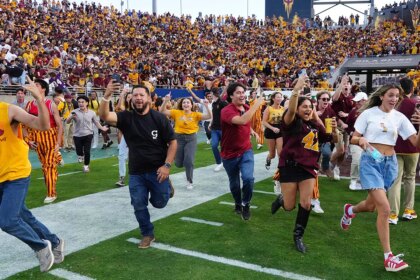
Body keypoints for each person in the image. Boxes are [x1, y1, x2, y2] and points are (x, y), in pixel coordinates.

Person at [341, 84, 420, 272]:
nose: (394, 99)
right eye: (391, 95)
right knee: (385, 208)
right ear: (382, 96)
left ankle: (350, 210)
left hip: (389, 164)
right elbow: (354, 137)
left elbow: (415, 142)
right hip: (370, 162)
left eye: (397, 96)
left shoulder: (399, 118)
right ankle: (388, 257)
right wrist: (360, 140)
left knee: (370, 206)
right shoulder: (368, 114)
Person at [99, 81, 177, 249]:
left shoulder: (159, 118)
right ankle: (147, 233)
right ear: (131, 98)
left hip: (159, 171)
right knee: (138, 203)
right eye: (135, 95)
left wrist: (167, 166)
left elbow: (173, 143)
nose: (139, 98)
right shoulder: (126, 117)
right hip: (136, 172)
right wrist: (106, 95)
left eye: (142, 95)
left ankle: (167, 186)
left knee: (159, 203)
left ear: (149, 98)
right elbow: (105, 116)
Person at [0, 76, 64, 272]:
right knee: (23, 215)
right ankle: (55, 241)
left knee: (8, 221)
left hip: (16, 173)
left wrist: (38, 98)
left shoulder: (9, 110)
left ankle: (40, 246)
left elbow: (43, 125)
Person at [271, 75, 336, 253]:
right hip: (290, 166)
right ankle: (282, 199)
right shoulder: (290, 121)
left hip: (308, 168)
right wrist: (296, 90)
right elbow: (290, 110)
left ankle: (298, 236)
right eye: (304, 106)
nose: (308, 109)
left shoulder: (316, 124)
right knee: (289, 207)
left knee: (306, 203)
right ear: (298, 109)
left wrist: (335, 129)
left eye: (310, 106)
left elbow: (329, 139)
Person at [221, 82, 265, 221]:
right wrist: (256, 104)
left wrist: (252, 131)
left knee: (248, 178)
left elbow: (245, 123)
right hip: (229, 154)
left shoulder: (245, 107)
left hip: (246, 150)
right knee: (234, 184)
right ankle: (238, 203)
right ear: (231, 95)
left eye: (243, 92)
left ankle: (246, 203)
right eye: (239, 92)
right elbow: (241, 120)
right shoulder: (227, 110)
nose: (242, 95)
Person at [161, 93, 212, 189]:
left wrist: (206, 105)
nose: (186, 104)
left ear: (192, 105)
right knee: (179, 163)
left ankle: (190, 181)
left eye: (188, 102)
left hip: (191, 139)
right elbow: (162, 111)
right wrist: (166, 100)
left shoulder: (196, 114)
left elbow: (209, 116)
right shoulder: (176, 112)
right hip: (178, 138)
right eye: (184, 102)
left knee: (189, 161)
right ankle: (181, 160)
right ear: (181, 104)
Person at [25, 79, 63, 204]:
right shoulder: (29, 105)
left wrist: (58, 142)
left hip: (50, 136)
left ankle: (51, 193)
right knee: (45, 163)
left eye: (37, 85)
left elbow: (59, 125)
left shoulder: (51, 104)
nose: (34, 87)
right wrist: (29, 140)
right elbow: (24, 123)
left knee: (48, 166)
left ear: (43, 89)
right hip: (36, 137)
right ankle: (57, 157)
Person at [387, 78, 419, 224]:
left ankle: (392, 214)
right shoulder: (415, 104)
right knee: (410, 178)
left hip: (395, 145)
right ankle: (408, 210)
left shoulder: (394, 105)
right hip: (413, 146)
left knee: (395, 180)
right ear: (412, 90)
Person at [66, 95, 108, 172]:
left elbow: (96, 122)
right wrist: (71, 117)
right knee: (79, 151)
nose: (81, 104)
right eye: (79, 102)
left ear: (87, 103)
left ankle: (86, 166)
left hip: (88, 135)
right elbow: (67, 122)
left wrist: (102, 128)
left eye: (82, 102)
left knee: (87, 151)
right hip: (77, 135)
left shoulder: (92, 113)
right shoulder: (74, 112)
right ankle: (80, 155)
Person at [346, 91, 368, 190]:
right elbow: (347, 126)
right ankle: (354, 180)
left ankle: (365, 181)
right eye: (357, 101)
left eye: (359, 101)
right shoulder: (353, 112)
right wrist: (351, 133)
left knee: (374, 160)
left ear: (365, 101)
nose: (357, 103)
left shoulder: (372, 112)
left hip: (370, 142)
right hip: (356, 141)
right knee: (357, 159)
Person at [114, 89, 132, 187]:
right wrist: (122, 95)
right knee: (121, 156)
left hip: (138, 136)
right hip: (126, 136)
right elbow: (118, 107)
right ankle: (121, 178)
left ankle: (134, 175)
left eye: (131, 97)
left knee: (134, 157)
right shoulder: (124, 110)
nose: (130, 99)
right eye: (128, 97)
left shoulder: (139, 109)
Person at [262, 91, 284, 170]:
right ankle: (268, 159)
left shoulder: (283, 109)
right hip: (270, 131)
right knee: (272, 154)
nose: (279, 98)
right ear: (273, 98)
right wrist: (273, 128)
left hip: (280, 131)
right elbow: (264, 121)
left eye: (280, 97)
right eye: (278, 97)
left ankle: (280, 171)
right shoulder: (269, 109)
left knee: (280, 153)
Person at [209, 87, 228, 172]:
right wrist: (210, 123)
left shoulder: (222, 102)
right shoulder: (213, 104)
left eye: (211, 93)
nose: (210, 95)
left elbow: (229, 110)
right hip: (214, 128)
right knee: (214, 145)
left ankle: (226, 162)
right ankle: (219, 163)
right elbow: (214, 115)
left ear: (213, 93)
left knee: (225, 147)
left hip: (223, 128)